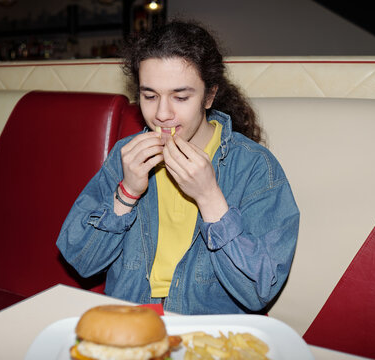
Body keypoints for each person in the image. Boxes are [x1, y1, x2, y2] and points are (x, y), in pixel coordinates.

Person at [57, 20, 300, 314]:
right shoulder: (126, 156)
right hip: (132, 318)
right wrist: (127, 193)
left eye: (181, 97)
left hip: (207, 331)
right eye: (149, 96)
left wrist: (210, 198)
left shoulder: (255, 167)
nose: (161, 114)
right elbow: (81, 261)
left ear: (209, 96)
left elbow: (258, 291)